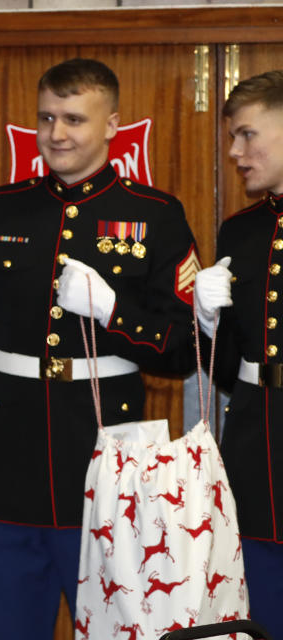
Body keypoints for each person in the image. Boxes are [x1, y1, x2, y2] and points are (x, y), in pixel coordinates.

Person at [0, 58, 198, 638]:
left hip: (110, 472)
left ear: (112, 124)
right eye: (46, 117)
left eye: (74, 119)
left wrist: (113, 311)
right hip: (8, 470)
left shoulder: (154, 215)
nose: (56, 134)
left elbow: (182, 351)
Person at [194, 69, 283, 639]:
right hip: (256, 437)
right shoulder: (241, 231)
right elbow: (225, 370)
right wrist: (207, 322)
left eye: (248, 135)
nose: (235, 151)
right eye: (232, 137)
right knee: (262, 600)